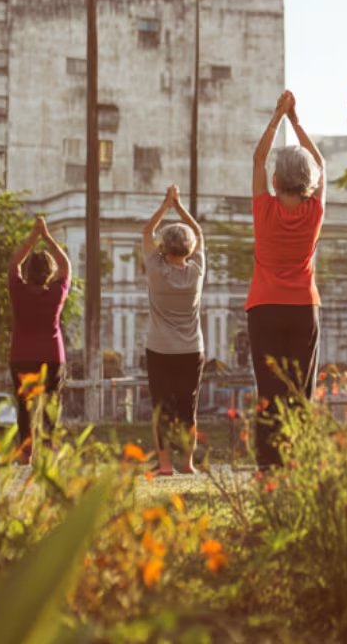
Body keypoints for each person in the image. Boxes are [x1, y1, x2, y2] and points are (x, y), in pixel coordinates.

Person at [246, 89, 325, 471]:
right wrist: (296, 120)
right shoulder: (314, 211)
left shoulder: (264, 209)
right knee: (300, 391)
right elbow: (321, 163)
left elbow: (259, 157)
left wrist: (278, 115)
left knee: (269, 391)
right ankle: (300, 460)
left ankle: (268, 466)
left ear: (275, 181)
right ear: (309, 182)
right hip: (303, 309)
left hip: (263, 308)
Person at [142, 185, 206, 475]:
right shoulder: (196, 272)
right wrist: (179, 207)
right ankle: (187, 463)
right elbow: (199, 234)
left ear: (163, 248)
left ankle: (165, 464)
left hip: (159, 348)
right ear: (190, 249)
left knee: (162, 408)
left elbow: (147, 233)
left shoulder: (156, 270)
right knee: (187, 406)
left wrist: (165, 204)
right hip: (191, 349)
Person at [6, 215, 70, 464]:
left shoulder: (18, 290)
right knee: (50, 404)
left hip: (22, 356)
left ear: (28, 272)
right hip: (52, 356)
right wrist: (48, 237)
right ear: (50, 273)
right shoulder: (57, 292)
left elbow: (13, 265)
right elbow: (66, 267)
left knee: (25, 406)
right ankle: (48, 451)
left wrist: (33, 236)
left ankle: (25, 453)